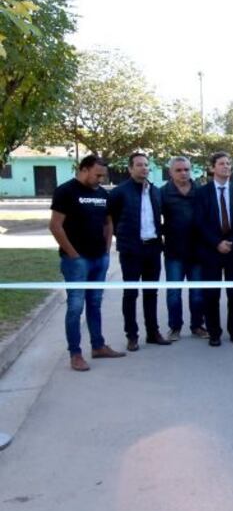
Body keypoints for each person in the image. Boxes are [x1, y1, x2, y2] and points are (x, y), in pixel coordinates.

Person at [49, 155, 126, 371]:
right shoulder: (66, 191)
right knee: (75, 307)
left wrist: (106, 250)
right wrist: (73, 254)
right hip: (76, 261)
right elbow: (55, 226)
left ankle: (98, 346)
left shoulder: (102, 194)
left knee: (95, 304)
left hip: (98, 259)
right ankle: (75, 353)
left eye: (103, 175)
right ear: (84, 169)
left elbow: (108, 223)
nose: (101, 179)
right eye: (97, 174)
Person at [108, 152, 170, 351]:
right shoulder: (120, 192)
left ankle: (153, 332)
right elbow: (112, 220)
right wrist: (124, 239)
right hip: (131, 250)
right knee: (131, 293)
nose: (144, 168)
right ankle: (132, 336)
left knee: (151, 293)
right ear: (130, 168)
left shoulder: (155, 191)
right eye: (139, 165)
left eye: (146, 165)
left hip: (152, 248)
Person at [194, 152, 233, 347]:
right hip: (211, 251)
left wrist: (231, 242)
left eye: (228, 163)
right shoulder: (201, 193)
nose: (226, 166)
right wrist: (217, 243)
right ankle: (214, 333)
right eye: (221, 163)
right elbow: (199, 223)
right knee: (212, 295)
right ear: (212, 168)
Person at [160, 157, 206, 341]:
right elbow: (155, 219)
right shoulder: (163, 193)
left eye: (186, 169)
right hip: (173, 252)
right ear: (170, 172)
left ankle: (197, 326)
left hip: (197, 251)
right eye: (178, 170)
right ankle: (175, 327)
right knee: (174, 294)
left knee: (197, 294)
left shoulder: (201, 192)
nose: (183, 173)